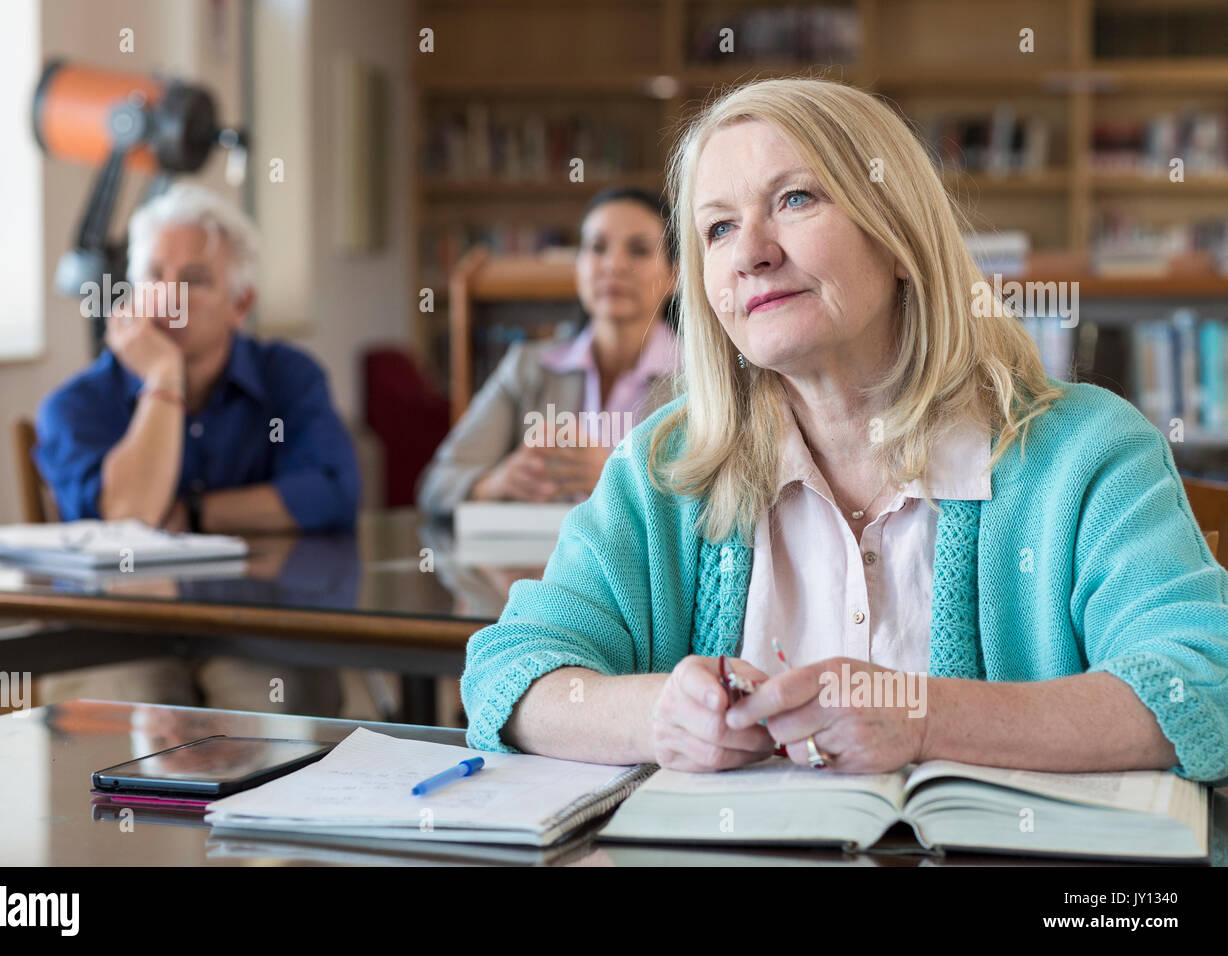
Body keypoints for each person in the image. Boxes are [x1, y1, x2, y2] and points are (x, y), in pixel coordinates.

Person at [460, 78, 1228, 784]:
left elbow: (1205, 678)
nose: (752, 253)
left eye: (794, 200)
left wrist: (924, 718)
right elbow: (511, 672)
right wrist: (657, 715)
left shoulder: (1089, 453)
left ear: (896, 237)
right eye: (718, 228)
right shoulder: (665, 468)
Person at [33, 183, 359, 716]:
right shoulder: (75, 404)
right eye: (154, 277)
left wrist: (196, 514)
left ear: (242, 304)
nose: (168, 299)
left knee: (267, 715)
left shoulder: (289, 378)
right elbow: (130, 518)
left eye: (194, 281)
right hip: (121, 636)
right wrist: (164, 379)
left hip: (254, 628)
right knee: (149, 718)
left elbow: (329, 491)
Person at [416, 186, 680, 513]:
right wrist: (496, 483)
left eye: (639, 250)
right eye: (597, 248)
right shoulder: (526, 368)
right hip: (538, 561)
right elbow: (436, 484)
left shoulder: (703, 379)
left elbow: (721, 511)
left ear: (675, 276)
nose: (613, 265)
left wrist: (615, 481)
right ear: (578, 267)